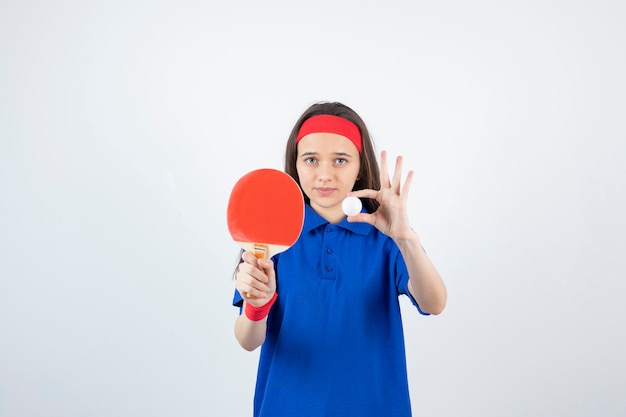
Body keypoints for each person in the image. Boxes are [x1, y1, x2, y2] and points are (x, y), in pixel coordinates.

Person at [232, 101, 447, 417]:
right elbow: (248, 340)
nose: (324, 175)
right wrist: (257, 306)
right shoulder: (270, 240)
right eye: (311, 160)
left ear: (360, 167)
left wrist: (406, 238)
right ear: (296, 163)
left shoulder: (387, 239)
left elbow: (434, 303)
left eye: (340, 161)